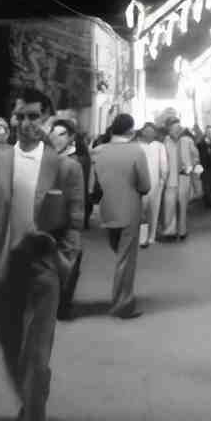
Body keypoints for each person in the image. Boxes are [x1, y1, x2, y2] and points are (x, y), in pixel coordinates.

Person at [0, 88, 85, 421]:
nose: (26, 123)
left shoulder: (66, 167)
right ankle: (31, 398)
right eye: (21, 116)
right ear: (13, 118)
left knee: (36, 357)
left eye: (34, 116)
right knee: (12, 351)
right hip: (4, 267)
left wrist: (63, 260)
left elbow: (76, 221)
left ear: (46, 118)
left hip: (43, 269)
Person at [91, 113, 150, 318]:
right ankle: (122, 304)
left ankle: (120, 296)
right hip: (129, 209)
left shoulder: (97, 151)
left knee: (119, 254)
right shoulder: (136, 151)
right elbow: (145, 185)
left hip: (106, 208)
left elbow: (93, 183)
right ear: (130, 130)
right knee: (126, 258)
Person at [48, 118, 86, 320]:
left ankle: (62, 305)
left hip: (66, 222)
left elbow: (78, 197)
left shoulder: (73, 164)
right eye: (54, 133)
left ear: (71, 137)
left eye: (62, 134)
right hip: (44, 221)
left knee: (69, 263)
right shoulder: (43, 159)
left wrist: (76, 223)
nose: (57, 138)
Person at [162, 117, 197, 241]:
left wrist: (191, 168)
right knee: (169, 206)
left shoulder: (188, 141)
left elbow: (196, 157)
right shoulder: (164, 142)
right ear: (169, 129)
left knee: (183, 206)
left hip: (184, 178)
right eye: (174, 128)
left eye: (179, 128)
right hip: (170, 179)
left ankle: (182, 231)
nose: (177, 130)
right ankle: (169, 232)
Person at [137, 122, 169, 247]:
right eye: (147, 131)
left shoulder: (159, 146)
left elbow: (164, 165)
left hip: (155, 183)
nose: (149, 133)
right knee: (143, 211)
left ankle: (150, 236)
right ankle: (144, 237)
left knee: (152, 211)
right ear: (142, 132)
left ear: (155, 133)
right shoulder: (138, 146)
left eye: (151, 131)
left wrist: (163, 180)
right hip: (142, 183)